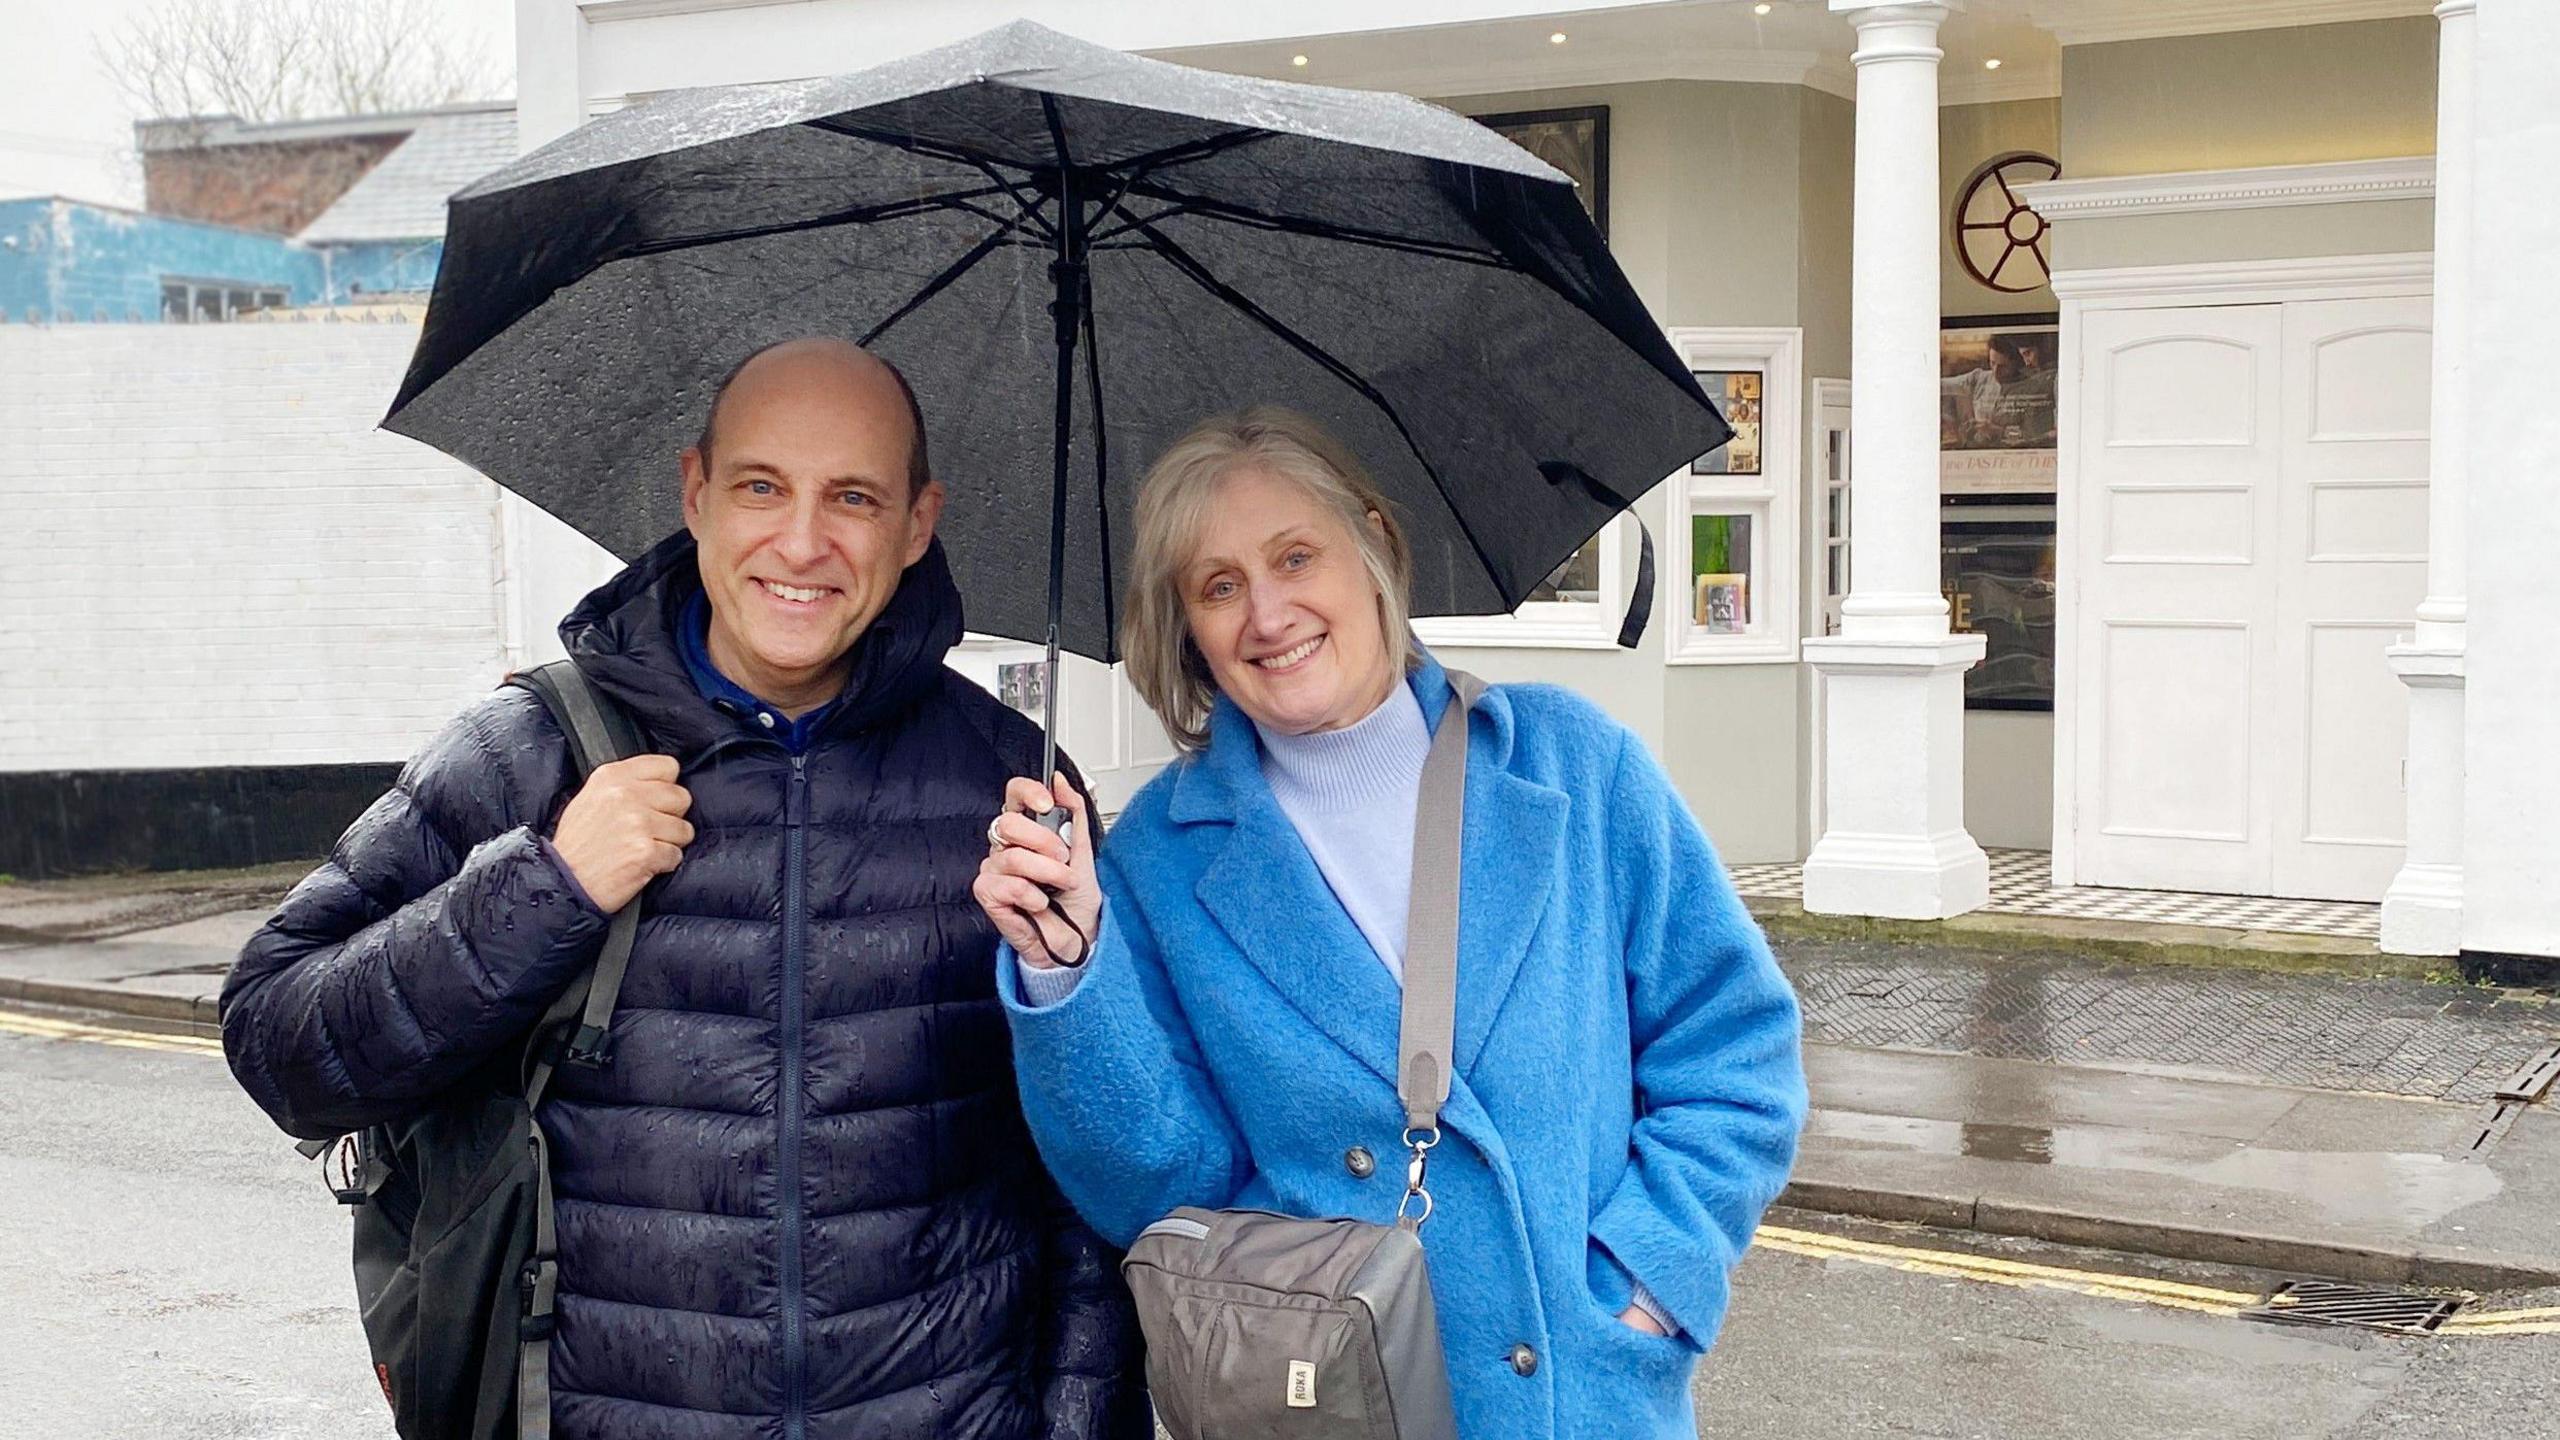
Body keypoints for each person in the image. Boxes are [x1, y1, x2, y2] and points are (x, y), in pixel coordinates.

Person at [222, 338, 1148, 1440]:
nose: (801, 542)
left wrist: (1072, 975)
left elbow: (1086, 1194)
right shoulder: (530, 754)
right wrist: (546, 886)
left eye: (852, 497)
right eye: (762, 486)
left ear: (916, 523)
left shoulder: (1011, 788)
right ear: (696, 491)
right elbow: (282, 1047)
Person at [973, 406, 1806, 1440]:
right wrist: (1067, 973)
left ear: (1371, 542)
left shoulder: (1573, 768)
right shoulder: (1155, 859)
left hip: (1578, 1400)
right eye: (1218, 586)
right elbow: (1154, 1191)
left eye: (1295, 557)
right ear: (1185, 626)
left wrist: (1648, 1283)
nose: (1268, 614)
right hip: (1326, 1412)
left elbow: (1735, 1054)